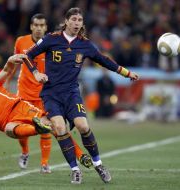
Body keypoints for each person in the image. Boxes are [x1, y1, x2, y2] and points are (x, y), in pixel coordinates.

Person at [23, 7, 139, 184]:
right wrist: (36, 73)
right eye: (74, 20)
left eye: (80, 20)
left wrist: (126, 73)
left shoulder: (85, 45)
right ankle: (75, 169)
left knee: (83, 126)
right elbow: (28, 55)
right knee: (60, 129)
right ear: (67, 21)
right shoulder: (51, 39)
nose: (77, 23)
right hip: (51, 94)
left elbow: (104, 60)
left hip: (71, 94)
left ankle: (98, 164)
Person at [6, 13, 93, 173]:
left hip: (44, 94)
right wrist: (6, 81)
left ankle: (46, 162)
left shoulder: (51, 43)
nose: (39, 28)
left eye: (42, 25)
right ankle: (25, 152)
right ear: (31, 26)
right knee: (21, 128)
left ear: (46, 28)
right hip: (24, 93)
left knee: (51, 127)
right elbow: (14, 64)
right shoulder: (20, 41)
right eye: (36, 25)